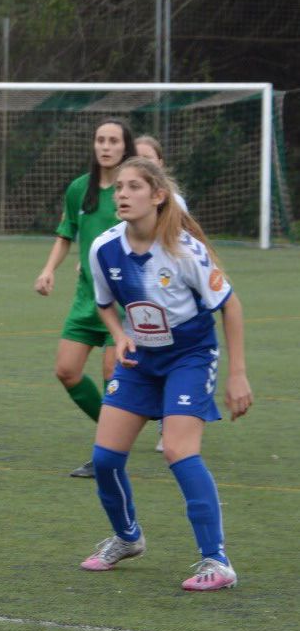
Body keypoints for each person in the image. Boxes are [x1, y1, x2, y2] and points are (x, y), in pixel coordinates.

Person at [80, 156, 251, 591]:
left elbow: (229, 304)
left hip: (189, 357)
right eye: (118, 187)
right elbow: (103, 303)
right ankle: (127, 537)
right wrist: (118, 334)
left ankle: (217, 561)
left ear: (157, 196)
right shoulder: (104, 248)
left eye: (133, 187)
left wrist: (237, 375)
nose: (121, 194)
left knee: (178, 451)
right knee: (104, 459)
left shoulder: (183, 250)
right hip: (140, 360)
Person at [34, 119, 136, 478]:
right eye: (100, 140)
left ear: (126, 147)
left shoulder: (132, 190)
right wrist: (49, 270)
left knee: (113, 373)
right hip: (86, 299)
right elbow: (66, 234)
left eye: (113, 141)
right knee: (66, 370)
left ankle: (108, 452)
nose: (105, 146)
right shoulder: (80, 189)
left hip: (123, 302)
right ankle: (116, 431)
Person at [133, 134, 187, 453]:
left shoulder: (174, 204)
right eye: (136, 158)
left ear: (161, 164)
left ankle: (172, 421)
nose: (144, 164)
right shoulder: (127, 200)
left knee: (172, 354)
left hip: (170, 291)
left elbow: (185, 244)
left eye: (149, 159)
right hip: (142, 295)